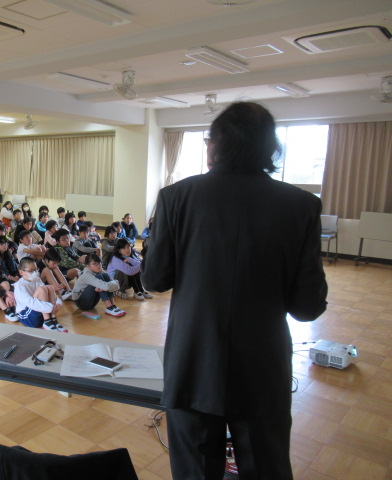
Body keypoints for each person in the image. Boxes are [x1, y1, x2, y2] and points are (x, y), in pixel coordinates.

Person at [141, 101, 328, 480]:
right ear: (271, 148)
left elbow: (154, 280)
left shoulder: (176, 197)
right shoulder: (302, 205)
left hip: (193, 364)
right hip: (263, 368)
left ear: (216, 144)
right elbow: (307, 307)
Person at [13, 257, 66, 332]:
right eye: (31, 271)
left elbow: (49, 293)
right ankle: (47, 320)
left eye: (35, 270)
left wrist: (58, 303)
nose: (34, 273)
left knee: (50, 287)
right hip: (27, 317)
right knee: (41, 289)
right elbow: (30, 303)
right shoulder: (19, 286)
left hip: (41, 311)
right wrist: (51, 307)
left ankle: (53, 319)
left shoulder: (37, 279)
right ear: (21, 272)